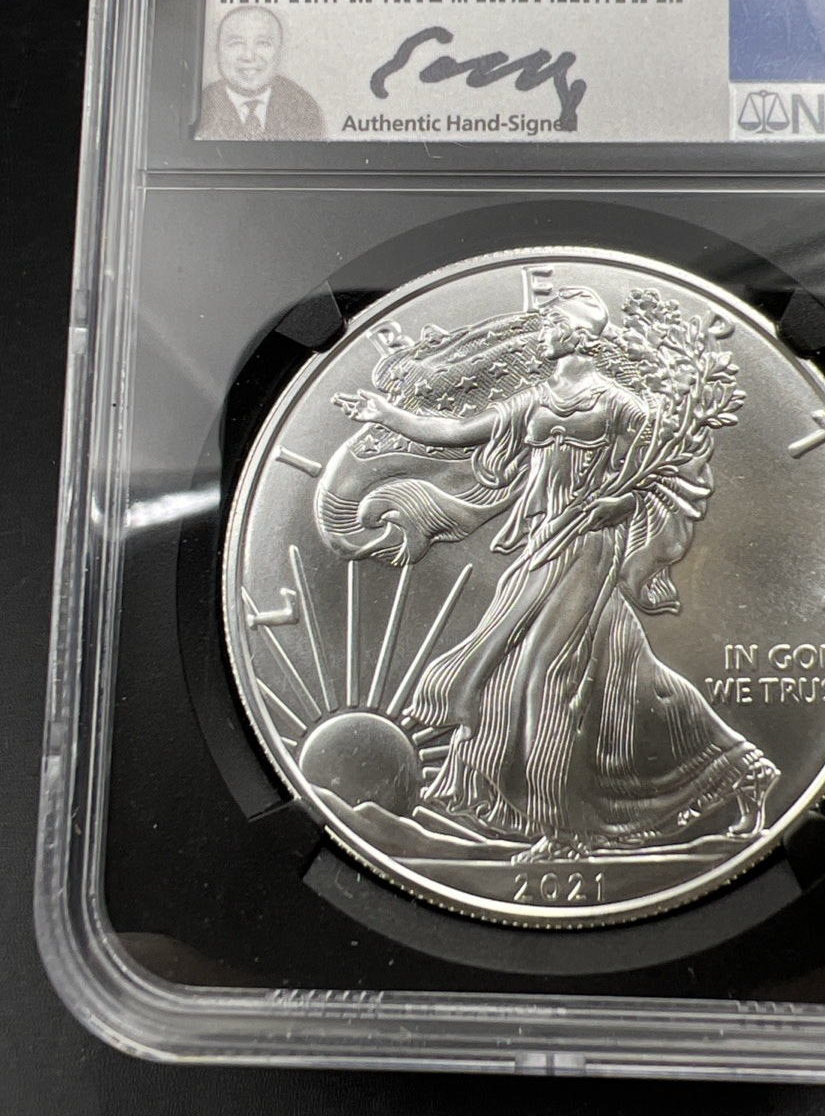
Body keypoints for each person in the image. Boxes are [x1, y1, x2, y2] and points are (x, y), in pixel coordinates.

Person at [326, 287, 779, 861]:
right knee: (626, 677)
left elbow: (676, 468)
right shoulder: (535, 399)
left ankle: (564, 832)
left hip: (589, 545)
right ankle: (742, 769)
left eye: (553, 323)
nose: (542, 332)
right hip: (543, 541)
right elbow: (457, 433)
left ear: (580, 336)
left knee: (545, 674)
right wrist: (385, 415)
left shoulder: (618, 405)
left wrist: (621, 504)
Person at [195, 6, 324, 140]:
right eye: (236, 43)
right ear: (217, 50)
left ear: (280, 51)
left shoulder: (303, 107)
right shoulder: (200, 105)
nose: (249, 56)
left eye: (263, 43)